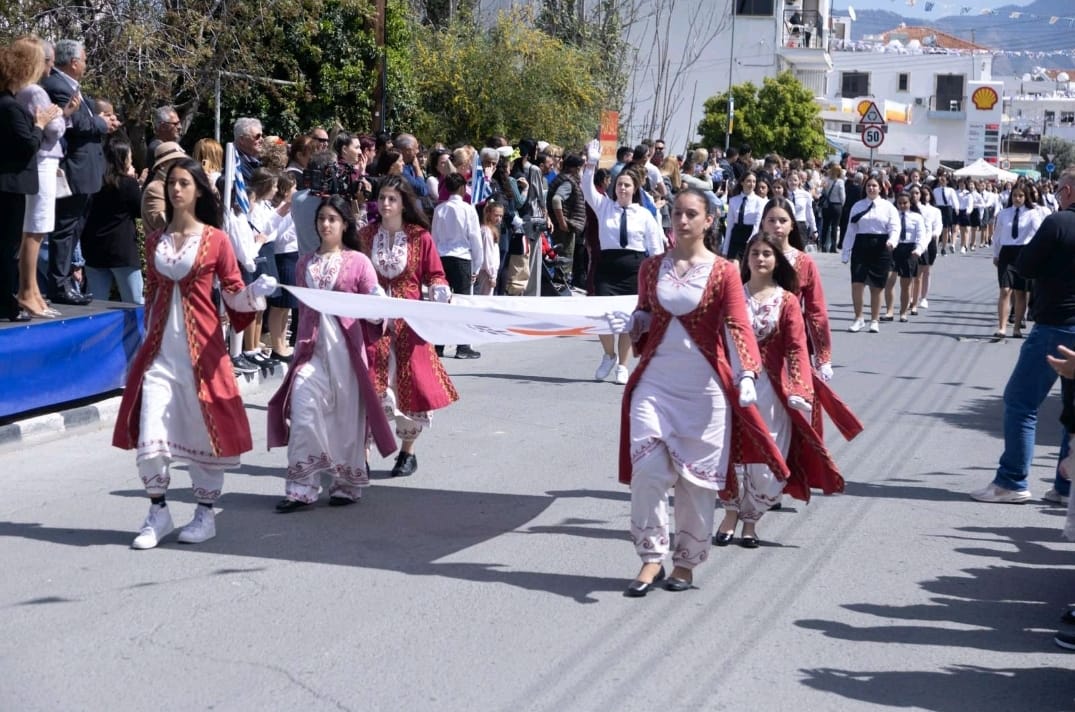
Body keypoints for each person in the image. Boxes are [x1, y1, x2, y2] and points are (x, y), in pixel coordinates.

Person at [610, 188, 788, 596]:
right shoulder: (652, 268)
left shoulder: (725, 271)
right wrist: (634, 319)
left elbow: (740, 325)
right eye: (676, 213)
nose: (682, 220)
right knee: (649, 472)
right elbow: (645, 311)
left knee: (696, 484)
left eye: (691, 214)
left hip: (706, 391)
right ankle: (651, 558)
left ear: (709, 221)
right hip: (654, 384)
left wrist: (746, 374)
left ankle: (686, 564)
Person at [112, 158, 277, 549]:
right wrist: (139, 351)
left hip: (202, 355)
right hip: (159, 358)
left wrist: (256, 293)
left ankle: (205, 514)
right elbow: (151, 297)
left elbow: (234, 293)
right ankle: (158, 511)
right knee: (151, 437)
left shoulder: (216, 240)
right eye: (172, 183)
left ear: (199, 189)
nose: (176, 189)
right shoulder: (155, 241)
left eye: (184, 183)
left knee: (206, 436)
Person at [267, 195, 396, 512]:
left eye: (332, 219)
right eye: (321, 218)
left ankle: (346, 483)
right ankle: (301, 486)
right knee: (302, 412)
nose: (325, 224)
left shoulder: (359, 262)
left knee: (345, 420)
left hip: (347, 354)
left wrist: (378, 303)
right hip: (311, 353)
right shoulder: (304, 263)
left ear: (344, 225)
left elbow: (375, 315)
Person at [714, 233, 839, 547]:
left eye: (766, 254)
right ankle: (730, 514)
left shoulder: (787, 301)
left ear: (776, 260)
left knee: (769, 452)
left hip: (772, 390)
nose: (760, 259)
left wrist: (800, 388)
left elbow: (797, 347)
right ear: (746, 259)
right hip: (733, 385)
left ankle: (751, 521)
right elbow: (713, 339)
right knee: (730, 450)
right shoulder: (730, 297)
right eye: (754, 253)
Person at [972, 167, 1075, 505]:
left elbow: (1026, 266)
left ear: (1070, 191)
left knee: (1020, 401)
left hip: (1055, 324)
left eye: (1061, 190)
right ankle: (1065, 488)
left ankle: (1012, 480)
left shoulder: (1058, 223)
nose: (1058, 195)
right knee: (1071, 411)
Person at [359, 174, 459, 478]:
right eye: (382, 198)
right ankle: (360, 456)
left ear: (403, 203)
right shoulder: (365, 236)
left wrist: (440, 289)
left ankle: (407, 452)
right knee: (367, 388)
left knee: (410, 389)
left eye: (392, 199)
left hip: (409, 327)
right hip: (372, 324)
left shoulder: (419, 237)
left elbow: (435, 275)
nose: (386, 204)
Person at [43, 39, 120, 306]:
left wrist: (99, 121)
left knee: (74, 228)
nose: (86, 65)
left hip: (86, 171)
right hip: (73, 169)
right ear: (74, 62)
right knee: (65, 229)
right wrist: (100, 122)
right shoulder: (57, 85)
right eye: (85, 60)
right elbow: (75, 123)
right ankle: (60, 285)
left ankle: (66, 283)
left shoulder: (72, 86)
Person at [582, 141, 664, 385]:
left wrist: (656, 275)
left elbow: (656, 247)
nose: (622, 189)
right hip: (608, 267)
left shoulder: (644, 215)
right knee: (602, 316)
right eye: (619, 185)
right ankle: (609, 355)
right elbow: (587, 189)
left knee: (629, 320)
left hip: (635, 268)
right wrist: (591, 162)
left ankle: (622, 365)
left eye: (627, 185)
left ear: (635, 188)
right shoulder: (605, 207)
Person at [1, 37, 62, 323]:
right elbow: (30, 143)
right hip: (12, 183)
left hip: (13, 182)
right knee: (10, 245)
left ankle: (16, 297)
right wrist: (39, 124)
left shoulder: (10, 102)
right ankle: (12, 300)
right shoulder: (13, 104)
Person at [81, 140, 144, 304]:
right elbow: (139, 211)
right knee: (134, 302)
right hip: (122, 250)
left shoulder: (94, 182)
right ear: (123, 159)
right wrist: (135, 182)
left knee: (94, 305)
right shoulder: (127, 183)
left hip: (94, 248)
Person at [430, 172, 482, 359]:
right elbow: (475, 238)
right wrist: (477, 265)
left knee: (442, 302)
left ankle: (439, 344)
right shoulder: (468, 210)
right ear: (462, 188)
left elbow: (434, 237)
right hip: (461, 257)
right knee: (462, 302)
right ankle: (462, 345)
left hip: (442, 257)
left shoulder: (440, 209)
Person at [841, 176, 900, 333]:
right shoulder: (857, 206)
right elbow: (851, 229)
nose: (871, 188)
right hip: (861, 246)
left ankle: (874, 320)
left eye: (874, 186)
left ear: (880, 188)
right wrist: (846, 251)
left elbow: (895, 227)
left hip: (881, 247)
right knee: (857, 284)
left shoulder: (888, 207)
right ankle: (858, 318)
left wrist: (892, 241)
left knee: (876, 287)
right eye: (869, 186)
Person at [992, 185, 1043, 339]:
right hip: (1007, 253)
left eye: (1021, 196)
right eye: (1014, 195)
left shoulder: (1033, 214)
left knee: (1021, 293)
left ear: (1026, 197)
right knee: (1005, 290)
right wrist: (996, 254)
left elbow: (1039, 234)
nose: (1017, 198)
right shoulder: (1004, 214)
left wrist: (1037, 255)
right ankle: (1002, 327)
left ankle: (1017, 328)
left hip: (1023, 253)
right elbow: (997, 235)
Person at [881, 191, 929, 323]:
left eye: (905, 203)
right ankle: (889, 311)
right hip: (894, 249)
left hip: (909, 250)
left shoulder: (917, 217)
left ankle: (903, 312)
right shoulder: (892, 216)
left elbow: (921, 236)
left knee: (906, 284)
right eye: (900, 203)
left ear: (910, 203)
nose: (902, 205)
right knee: (889, 282)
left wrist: (918, 250)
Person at [722, 172, 765, 262]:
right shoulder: (733, 200)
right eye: (749, 181)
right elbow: (730, 226)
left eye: (754, 181)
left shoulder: (760, 202)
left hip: (750, 235)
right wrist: (725, 250)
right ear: (742, 182)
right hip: (736, 236)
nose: (752, 184)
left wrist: (751, 242)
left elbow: (757, 225)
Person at [476, 200, 502, 296]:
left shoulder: (491, 230)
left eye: (501, 216)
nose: (499, 219)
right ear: (488, 214)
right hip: (486, 273)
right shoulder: (486, 232)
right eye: (496, 215)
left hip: (489, 272)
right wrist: (492, 276)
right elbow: (487, 255)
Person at [819, 165, 845, 253]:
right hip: (836, 205)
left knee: (825, 226)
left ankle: (823, 245)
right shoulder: (840, 182)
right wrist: (842, 204)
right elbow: (842, 196)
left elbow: (822, 191)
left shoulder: (826, 180)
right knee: (834, 226)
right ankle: (833, 247)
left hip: (827, 205)